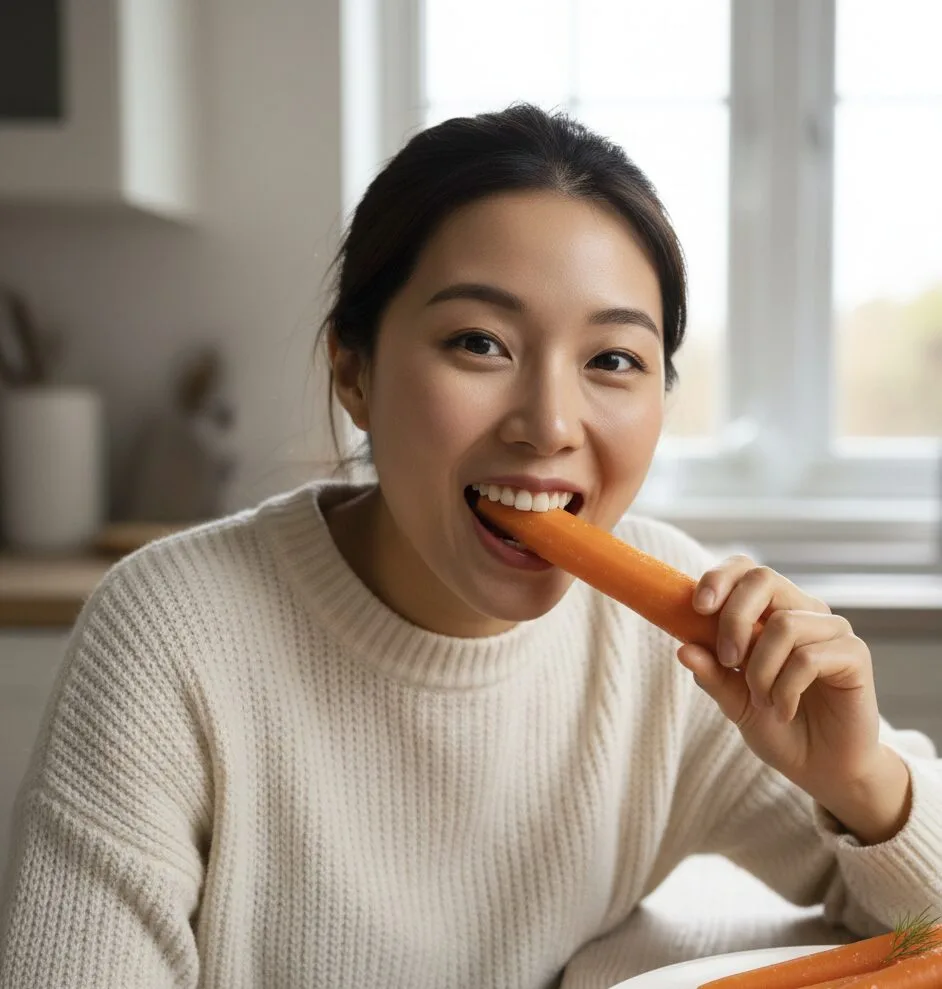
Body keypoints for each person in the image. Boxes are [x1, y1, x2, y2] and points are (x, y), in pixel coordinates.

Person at [1, 104, 940, 989]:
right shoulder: (170, 629)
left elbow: (920, 929)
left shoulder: (678, 640)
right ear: (354, 373)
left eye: (613, 359)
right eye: (480, 343)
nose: (549, 422)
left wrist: (859, 777)